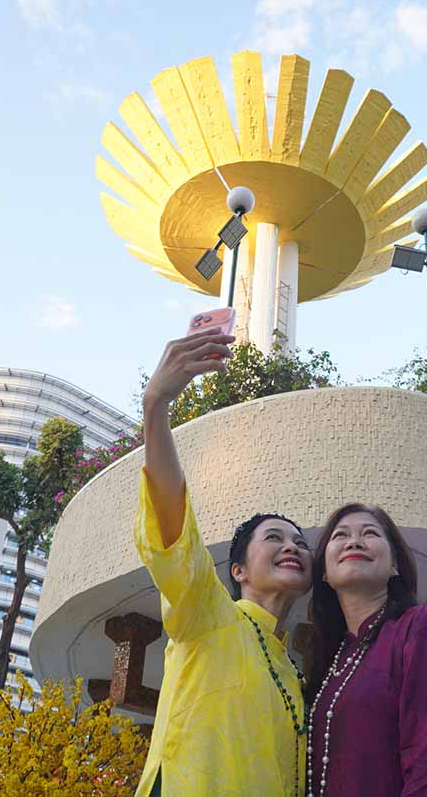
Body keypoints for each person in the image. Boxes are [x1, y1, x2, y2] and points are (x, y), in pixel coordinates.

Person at [135, 328, 314, 797]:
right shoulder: (209, 617)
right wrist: (156, 407)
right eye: (274, 538)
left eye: (300, 541)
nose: (292, 546)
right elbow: (176, 537)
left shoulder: (293, 675)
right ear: (237, 571)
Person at [307, 503, 427, 797]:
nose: (354, 541)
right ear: (323, 572)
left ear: (395, 565)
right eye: (340, 535)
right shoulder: (331, 660)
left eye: (370, 533)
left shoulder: (420, 628)